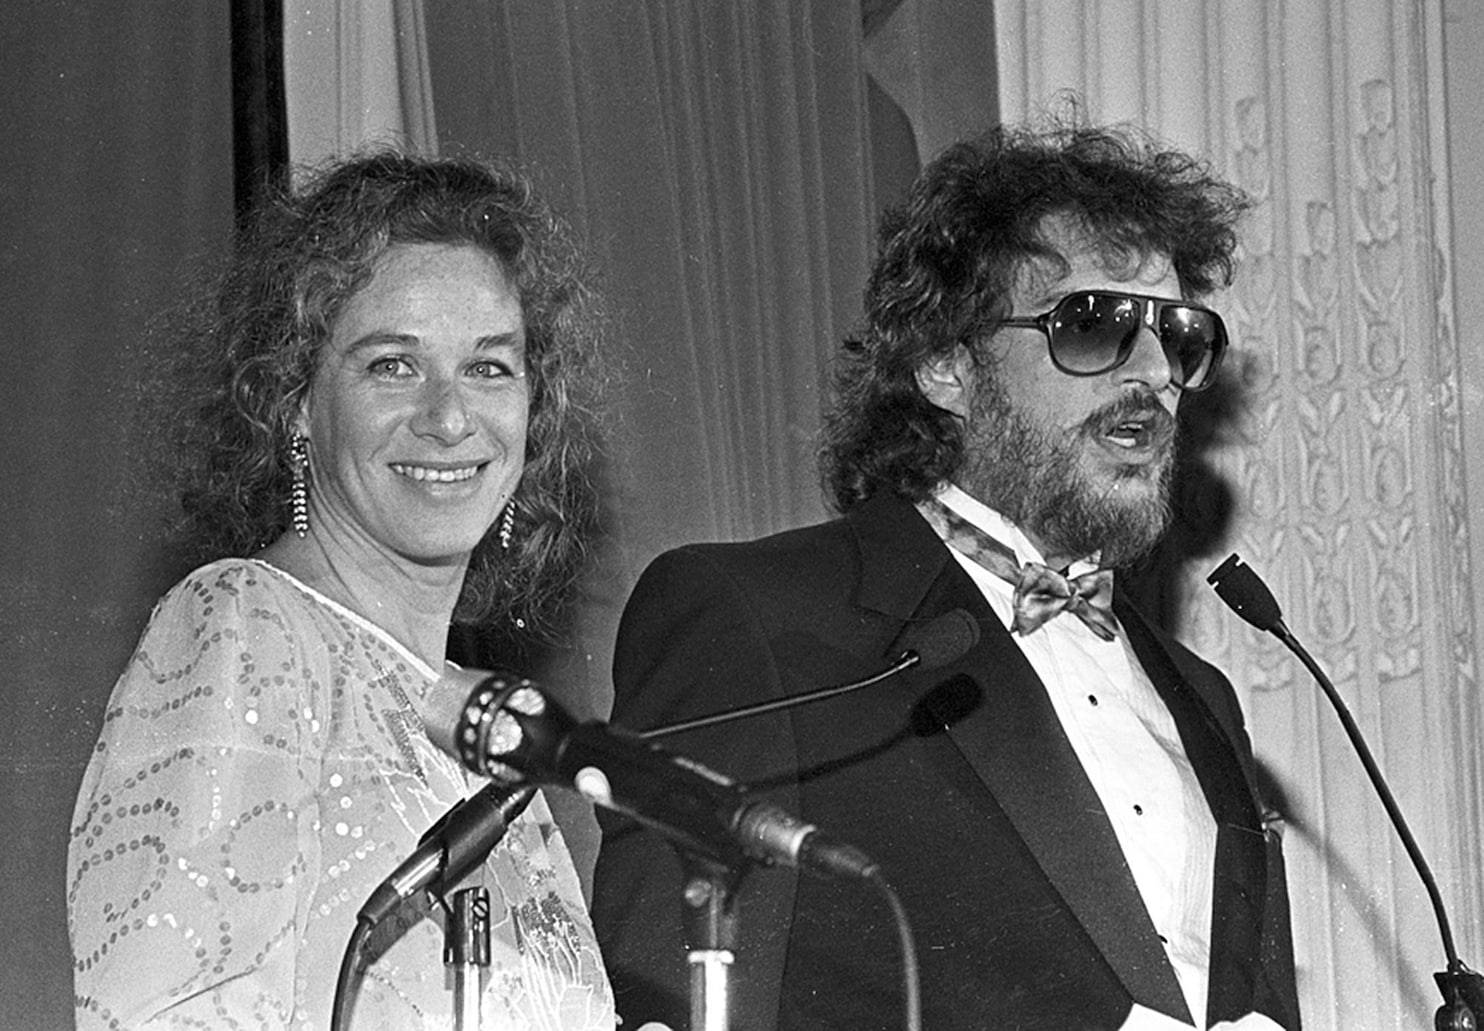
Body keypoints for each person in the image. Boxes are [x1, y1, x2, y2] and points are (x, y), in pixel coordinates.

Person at [590, 121, 1301, 1030]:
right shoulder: (754, 618)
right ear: (945, 363)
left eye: (1179, 334)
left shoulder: (1206, 697)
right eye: (1094, 326)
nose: (1157, 372)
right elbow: (680, 1005)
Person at [67, 151, 617, 1029]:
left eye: (489, 368)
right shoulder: (243, 628)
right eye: (392, 365)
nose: (448, 417)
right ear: (294, 400)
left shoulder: (490, 725)